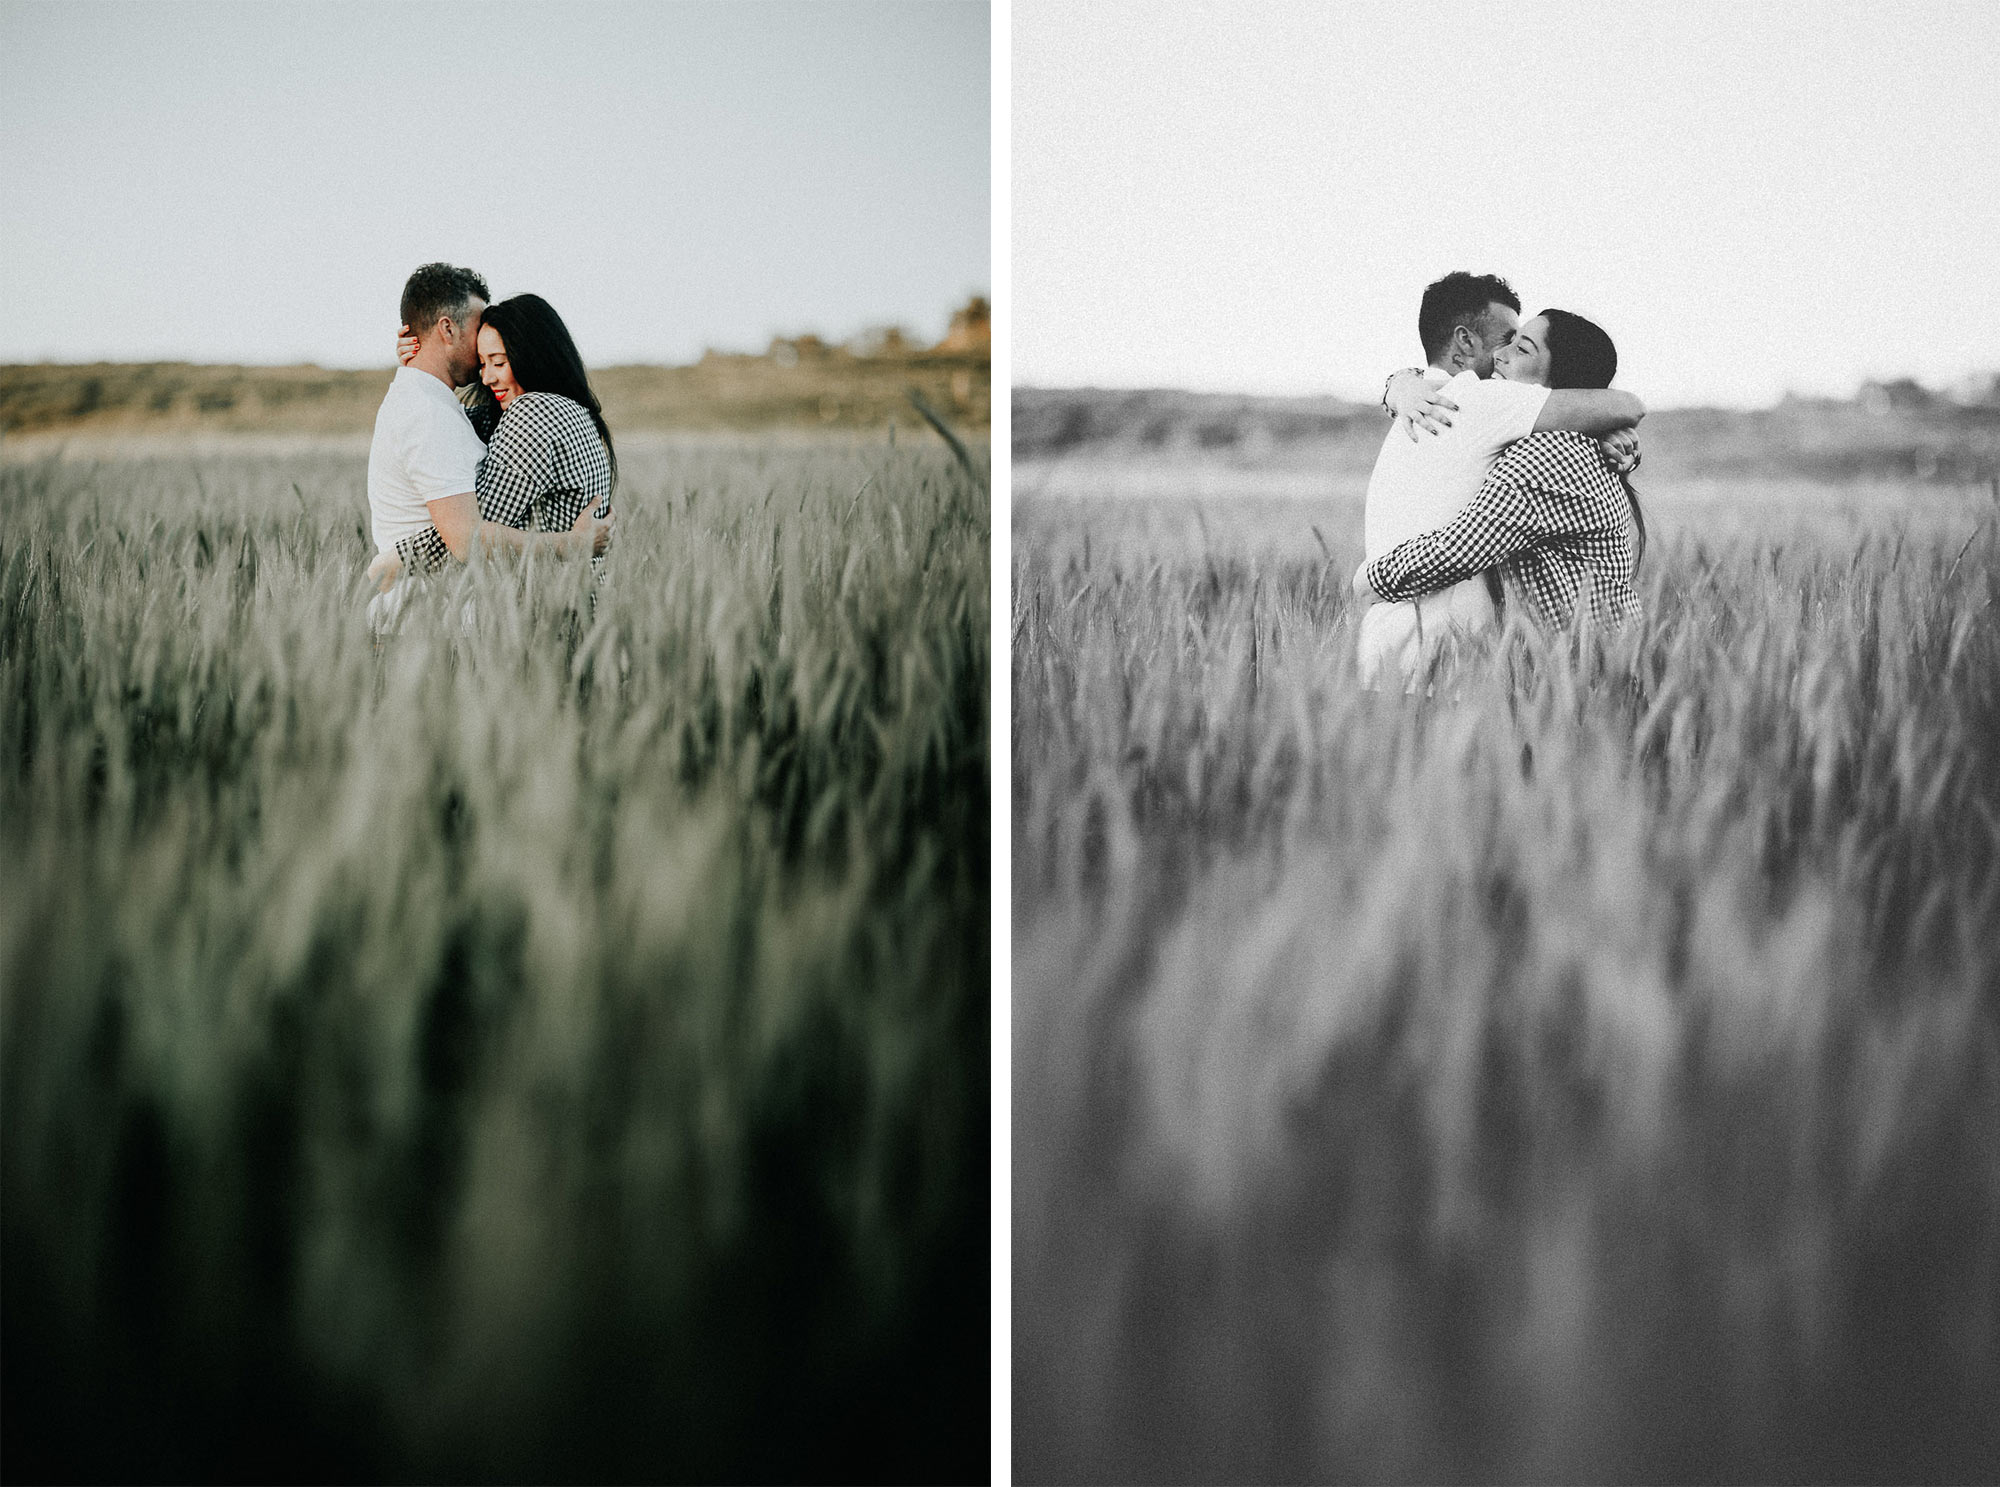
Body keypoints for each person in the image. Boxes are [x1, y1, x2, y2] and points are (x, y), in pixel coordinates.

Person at [1355, 272, 1642, 687]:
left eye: (1520, 346)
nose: (1506, 353)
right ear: (1466, 342)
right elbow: (1627, 404)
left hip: (1385, 657)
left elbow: (1464, 544)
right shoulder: (1479, 401)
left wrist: (1397, 384)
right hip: (1442, 663)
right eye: (1508, 338)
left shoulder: (1416, 414)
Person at [363, 265, 608, 622]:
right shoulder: (571, 413)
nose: (485, 374)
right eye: (482, 359)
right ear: (447, 328)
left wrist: (399, 557)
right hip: (552, 613)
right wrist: (415, 368)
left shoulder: (531, 413)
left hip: (540, 616)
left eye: (497, 361)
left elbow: (471, 534)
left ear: (529, 357)